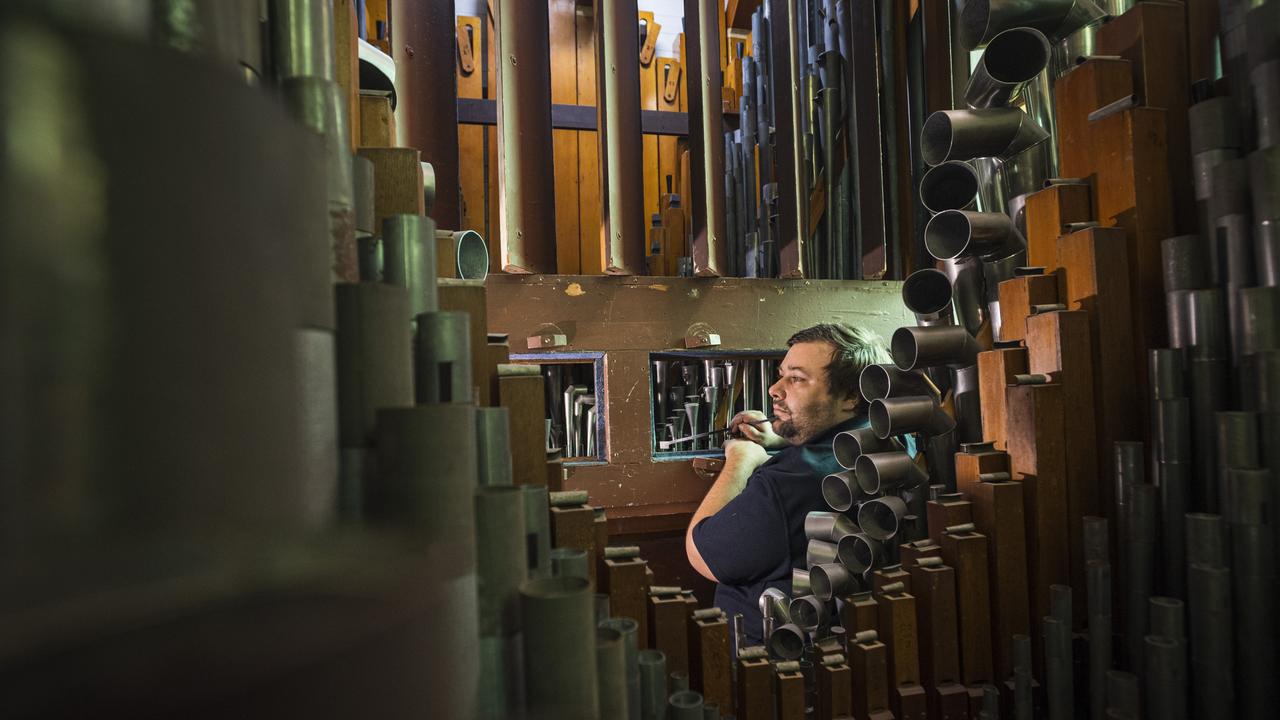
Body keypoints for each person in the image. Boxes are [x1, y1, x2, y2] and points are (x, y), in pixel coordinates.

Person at [684, 322, 891, 648]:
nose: (774, 389)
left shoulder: (787, 482)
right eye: (781, 374)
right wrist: (782, 435)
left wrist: (741, 459)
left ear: (851, 395)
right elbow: (828, 448)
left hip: (767, 662)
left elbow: (702, 557)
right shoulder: (889, 435)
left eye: (796, 378)